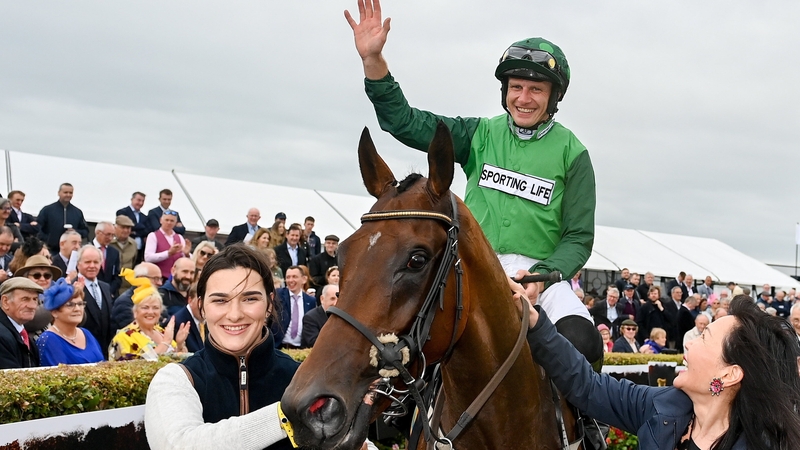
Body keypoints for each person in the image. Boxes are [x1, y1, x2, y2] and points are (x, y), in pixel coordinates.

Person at [345, 0, 601, 367]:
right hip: (473, 266)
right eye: (516, 87)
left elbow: (578, 238)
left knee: (583, 341)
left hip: (538, 275)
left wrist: (541, 277)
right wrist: (373, 60)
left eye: (536, 89)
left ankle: (583, 409)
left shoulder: (574, 154)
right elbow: (405, 122)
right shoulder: (478, 133)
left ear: (553, 96)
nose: (523, 98)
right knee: (409, 338)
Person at [520, 283, 800, 449]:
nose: (689, 344)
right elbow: (589, 387)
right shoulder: (664, 405)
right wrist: (534, 321)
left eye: (704, 337)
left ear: (729, 374)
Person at [144, 244, 301, 449]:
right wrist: (282, 416)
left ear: (269, 304)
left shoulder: (300, 379)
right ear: (202, 307)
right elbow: (178, 445)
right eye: (220, 300)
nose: (234, 315)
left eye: (250, 298)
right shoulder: (177, 379)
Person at [109, 272, 189, 361]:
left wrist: (180, 345)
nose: (150, 312)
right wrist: (165, 343)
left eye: (155, 308)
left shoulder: (162, 332)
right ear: (135, 312)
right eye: (145, 307)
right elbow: (137, 365)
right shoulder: (123, 337)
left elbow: (177, 361)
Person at [37, 278, 104, 365]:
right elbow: (58, 372)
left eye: (80, 304)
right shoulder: (49, 339)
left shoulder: (86, 333)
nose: (77, 309)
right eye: (70, 305)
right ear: (54, 312)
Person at [77, 245, 114, 358]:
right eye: (87, 262)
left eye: (96, 262)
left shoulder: (106, 287)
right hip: (83, 352)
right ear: (79, 264)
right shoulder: (71, 288)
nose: (92, 266)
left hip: (105, 353)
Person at [0, 278, 44, 368]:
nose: (32, 306)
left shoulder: (19, 331)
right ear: (5, 302)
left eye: (35, 299)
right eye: (25, 299)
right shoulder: (2, 335)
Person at [15, 254, 61, 339]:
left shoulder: (55, 292)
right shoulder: (19, 295)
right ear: (26, 277)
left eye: (47, 276)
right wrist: (58, 302)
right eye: (37, 275)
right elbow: (31, 321)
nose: (42, 279)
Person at [36, 183, 89, 250]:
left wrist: (75, 232)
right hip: (51, 249)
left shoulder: (77, 212)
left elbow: (85, 231)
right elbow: (37, 228)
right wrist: (48, 239)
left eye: (70, 193)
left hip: (71, 251)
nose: (68, 195)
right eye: (65, 192)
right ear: (59, 193)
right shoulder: (47, 210)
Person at [112, 263, 164, 332]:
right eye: (156, 279)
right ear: (140, 278)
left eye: (160, 279)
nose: (160, 283)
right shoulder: (125, 302)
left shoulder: (155, 298)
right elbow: (134, 331)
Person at [274, 266, 316, 349]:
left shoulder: (310, 301)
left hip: (302, 349)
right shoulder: (277, 296)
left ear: (304, 279)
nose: (290, 280)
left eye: (294, 277)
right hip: (280, 347)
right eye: (288, 277)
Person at [144, 210, 188, 280]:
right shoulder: (153, 236)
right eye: (166, 220)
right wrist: (168, 253)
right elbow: (148, 257)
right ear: (161, 220)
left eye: (172, 221)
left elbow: (184, 258)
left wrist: (187, 254)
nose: (169, 223)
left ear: (175, 223)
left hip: (176, 278)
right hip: (158, 277)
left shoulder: (179, 237)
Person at [170, 283, 205, 353]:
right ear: (190, 300)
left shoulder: (209, 321)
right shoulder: (177, 323)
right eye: (200, 301)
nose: (204, 306)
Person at [302, 284, 338, 348]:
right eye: (332, 299)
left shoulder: (343, 316)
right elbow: (313, 342)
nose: (335, 303)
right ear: (322, 299)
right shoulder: (311, 318)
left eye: (338, 299)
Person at [92, 221, 122, 296]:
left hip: (109, 295)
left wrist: (108, 291)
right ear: (98, 233)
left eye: (113, 235)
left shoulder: (114, 252)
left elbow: (117, 276)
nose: (110, 238)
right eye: (108, 234)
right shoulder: (86, 250)